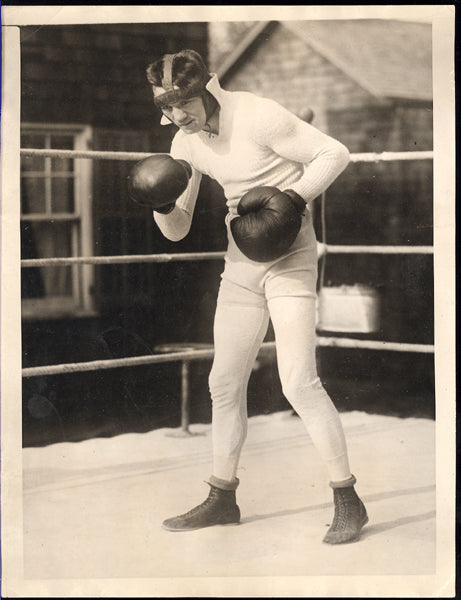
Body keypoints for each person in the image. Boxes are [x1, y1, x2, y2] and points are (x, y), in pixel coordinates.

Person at [128, 49, 368, 544]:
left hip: (290, 257)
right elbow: (178, 231)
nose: (178, 117)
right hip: (240, 264)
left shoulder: (257, 114)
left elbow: (334, 153)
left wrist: (293, 200)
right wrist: (164, 202)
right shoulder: (185, 143)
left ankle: (348, 498)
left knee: (299, 382)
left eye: (186, 105)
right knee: (223, 380)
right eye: (169, 109)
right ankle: (222, 498)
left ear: (207, 90)